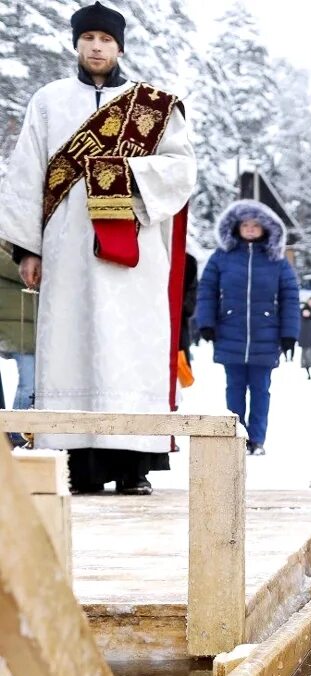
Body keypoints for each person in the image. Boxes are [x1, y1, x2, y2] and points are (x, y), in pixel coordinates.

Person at [0, 2, 196, 495]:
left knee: (131, 349)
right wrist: (28, 249)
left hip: (134, 252)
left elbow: (181, 170)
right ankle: (78, 466)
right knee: (71, 346)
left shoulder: (153, 106)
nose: (96, 46)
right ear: (76, 43)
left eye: (105, 39)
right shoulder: (49, 101)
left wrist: (127, 173)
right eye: (88, 38)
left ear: (120, 45)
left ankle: (133, 467)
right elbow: (27, 174)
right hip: (67, 253)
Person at [195, 201, 299, 456]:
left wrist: (289, 334)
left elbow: (290, 297)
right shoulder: (222, 257)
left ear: (265, 228)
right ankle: (236, 436)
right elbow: (207, 291)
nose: (251, 229)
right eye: (245, 224)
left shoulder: (277, 261)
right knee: (234, 389)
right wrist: (206, 323)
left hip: (266, 335)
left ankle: (257, 439)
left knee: (261, 390)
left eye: (255, 225)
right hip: (230, 332)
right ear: (236, 227)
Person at [1, 247, 37, 447]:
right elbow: (17, 269)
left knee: (32, 384)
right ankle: (15, 436)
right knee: (29, 384)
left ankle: (19, 435)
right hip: (18, 324)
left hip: (27, 321)